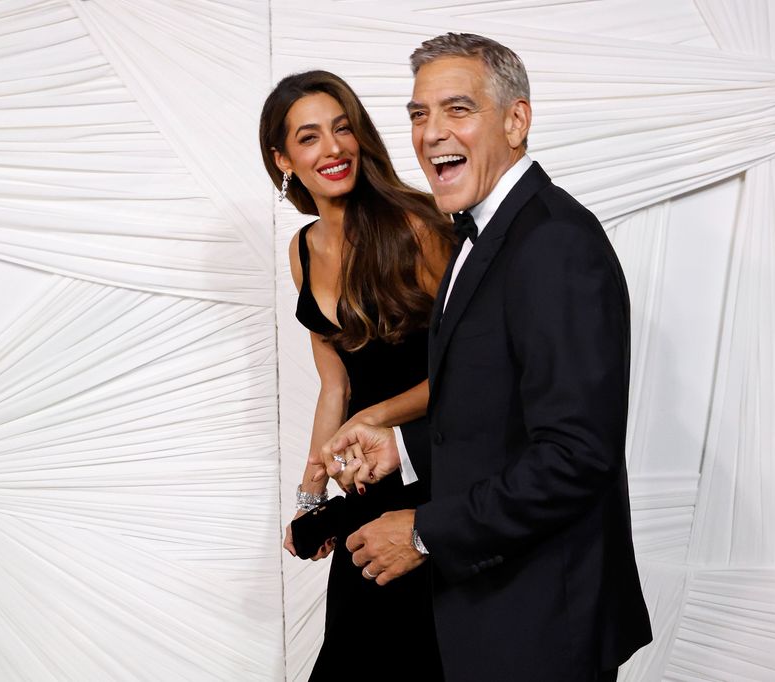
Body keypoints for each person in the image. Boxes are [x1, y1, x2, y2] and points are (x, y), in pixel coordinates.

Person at [322, 34, 652, 682]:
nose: (431, 132)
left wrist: (422, 532)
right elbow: (497, 411)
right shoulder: (478, 232)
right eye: (419, 114)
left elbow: (575, 456)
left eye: (457, 110)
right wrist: (407, 449)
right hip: (493, 609)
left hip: (541, 621)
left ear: (516, 120)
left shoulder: (554, 241)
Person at [258, 70, 451, 680]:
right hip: (367, 489)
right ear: (283, 158)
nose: (333, 148)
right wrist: (311, 496)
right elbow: (335, 386)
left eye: (342, 128)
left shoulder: (416, 226)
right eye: (309, 137)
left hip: (439, 471)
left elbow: (470, 372)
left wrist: (378, 418)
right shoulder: (302, 248)